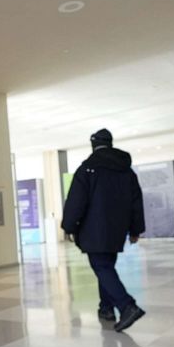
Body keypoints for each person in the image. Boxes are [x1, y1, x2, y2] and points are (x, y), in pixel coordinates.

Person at [61, 129, 147, 332]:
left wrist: (69, 226)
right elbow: (136, 201)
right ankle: (106, 308)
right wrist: (135, 229)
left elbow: (76, 201)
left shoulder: (88, 168)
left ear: (93, 144)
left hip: (93, 229)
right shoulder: (126, 170)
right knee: (106, 266)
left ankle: (127, 306)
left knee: (101, 267)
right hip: (117, 230)